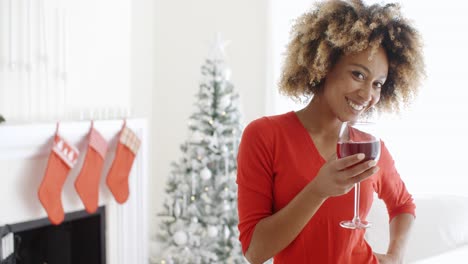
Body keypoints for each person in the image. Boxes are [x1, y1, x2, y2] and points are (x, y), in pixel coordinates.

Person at [236, 0, 425, 263]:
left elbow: (403, 205)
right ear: (324, 65)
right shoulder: (265, 135)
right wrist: (318, 190)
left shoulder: (369, 147)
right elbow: (255, 252)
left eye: (378, 84)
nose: (368, 94)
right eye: (358, 75)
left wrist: (395, 256)